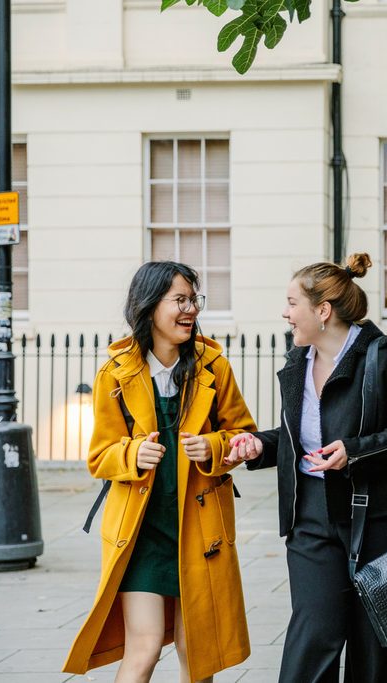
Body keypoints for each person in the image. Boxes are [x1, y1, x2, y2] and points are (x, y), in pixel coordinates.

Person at [225, 253, 387, 683]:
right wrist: (256, 448)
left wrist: (354, 451)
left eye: (291, 303)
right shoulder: (297, 362)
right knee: (314, 631)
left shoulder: (384, 357)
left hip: (381, 518)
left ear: (322, 311)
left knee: (380, 645)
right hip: (312, 514)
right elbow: (298, 436)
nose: (285, 313)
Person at [63, 262, 257, 683]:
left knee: (197, 650)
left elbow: (244, 435)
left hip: (199, 529)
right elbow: (100, 456)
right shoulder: (116, 373)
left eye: (194, 300)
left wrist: (214, 446)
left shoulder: (213, 366)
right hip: (141, 533)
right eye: (180, 300)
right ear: (150, 306)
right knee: (145, 648)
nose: (190, 309)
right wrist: (133, 454)